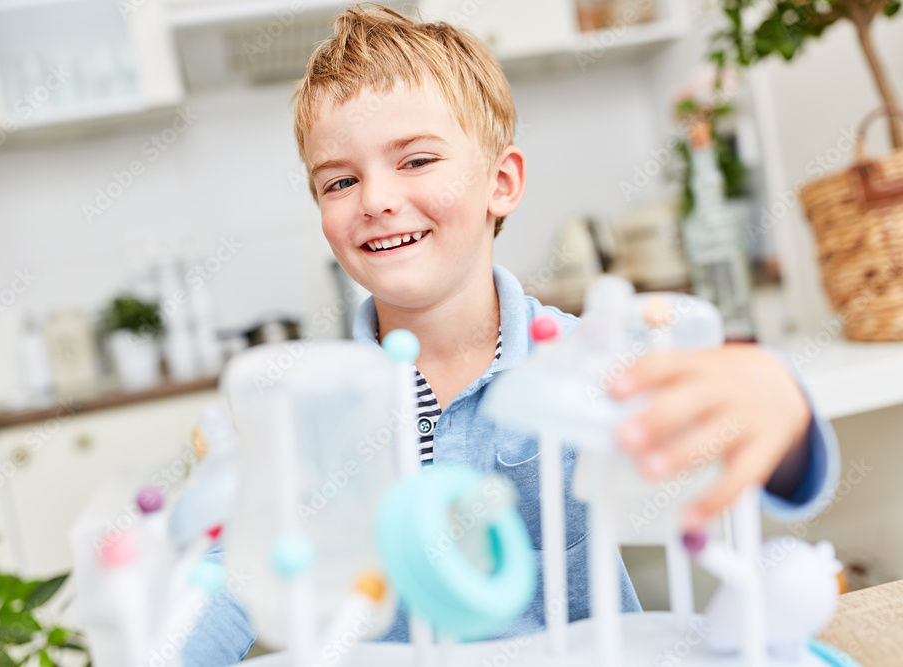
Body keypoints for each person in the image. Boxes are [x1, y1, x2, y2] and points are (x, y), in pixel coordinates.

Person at [183, 4, 840, 664]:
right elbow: (227, 579)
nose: (376, 198)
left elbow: (753, 454)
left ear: (501, 183)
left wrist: (777, 399)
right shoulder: (312, 415)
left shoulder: (593, 362)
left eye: (415, 161)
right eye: (341, 180)